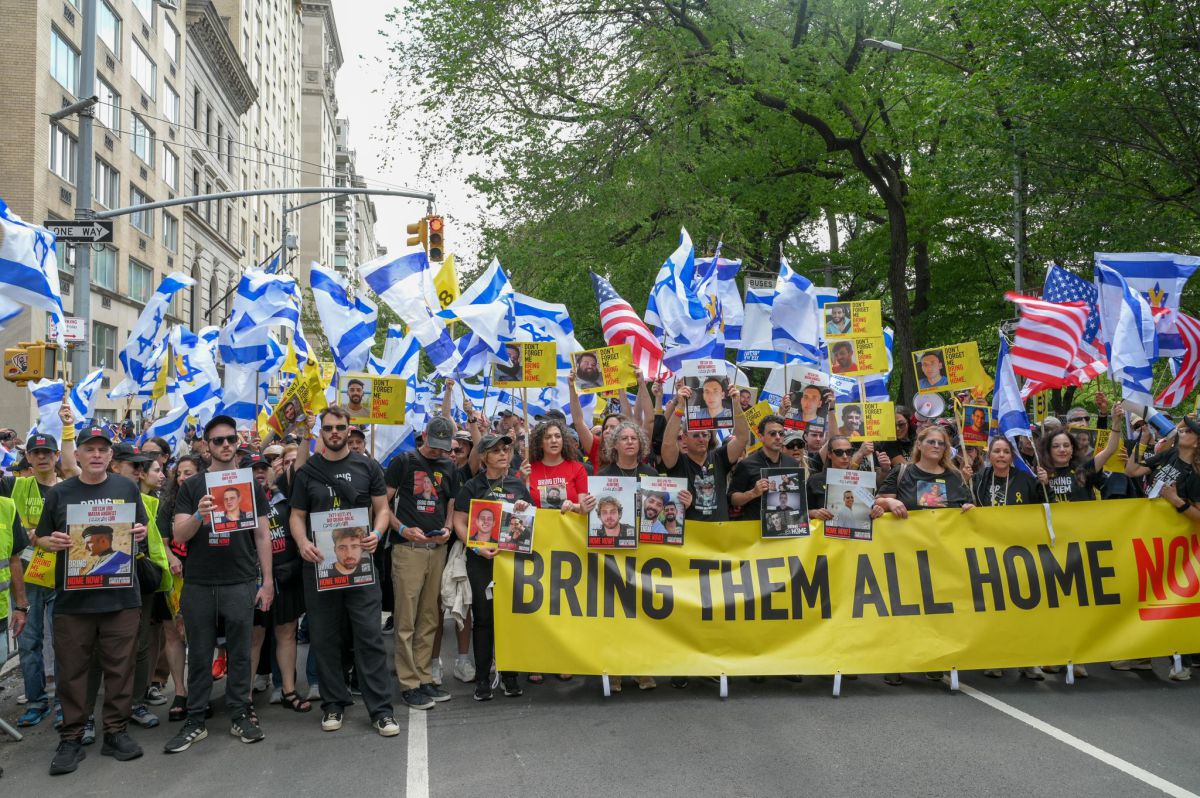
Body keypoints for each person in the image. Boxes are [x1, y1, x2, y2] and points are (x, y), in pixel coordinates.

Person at [31, 425, 149, 775]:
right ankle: (71, 737)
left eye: (102, 449)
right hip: (73, 602)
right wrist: (47, 543)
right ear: (77, 455)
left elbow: (138, 530)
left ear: (111, 456)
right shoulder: (59, 493)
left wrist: (140, 533)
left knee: (120, 668)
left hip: (121, 597)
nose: (96, 455)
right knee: (72, 671)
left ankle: (115, 731)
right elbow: (38, 538)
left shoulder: (127, 487)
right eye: (89, 449)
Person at [167, 415, 274, 753]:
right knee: (199, 654)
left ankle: (240, 713)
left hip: (239, 580)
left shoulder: (251, 484)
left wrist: (267, 581)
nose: (226, 445)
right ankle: (195, 719)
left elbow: (261, 534)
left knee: (240, 653)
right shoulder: (193, 486)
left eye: (231, 439)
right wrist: (199, 514)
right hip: (199, 582)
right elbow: (178, 534)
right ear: (206, 445)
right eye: (218, 441)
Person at [290, 406, 399, 737]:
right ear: (320, 432)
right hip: (320, 564)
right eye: (328, 427)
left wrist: (377, 534)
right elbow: (296, 515)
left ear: (350, 430)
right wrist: (301, 543)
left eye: (340, 427)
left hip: (362, 566)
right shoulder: (308, 472)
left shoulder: (367, 466)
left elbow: (382, 509)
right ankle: (333, 703)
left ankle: (381, 710)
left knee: (369, 637)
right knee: (325, 638)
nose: (334, 432)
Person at [874, 424, 973, 685]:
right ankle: (896, 662)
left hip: (941, 556)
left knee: (937, 613)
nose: (936, 447)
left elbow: (963, 505)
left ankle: (933, 660)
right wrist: (890, 502)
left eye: (941, 444)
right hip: (904, 554)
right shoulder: (903, 472)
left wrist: (968, 509)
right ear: (919, 444)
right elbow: (875, 502)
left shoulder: (954, 478)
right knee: (903, 610)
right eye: (931, 442)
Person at [6, 424, 78, 730]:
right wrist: (32, 537)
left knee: (63, 642)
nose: (42, 457)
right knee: (29, 642)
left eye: (47, 452)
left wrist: (40, 535)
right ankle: (36, 701)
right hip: (27, 577)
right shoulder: (15, 486)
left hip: (61, 573)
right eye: (35, 453)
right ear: (29, 458)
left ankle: (64, 703)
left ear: (56, 456)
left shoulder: (69, 487)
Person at [385, 415, 457, 710]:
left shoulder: (449, 466)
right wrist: (401, 528)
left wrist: (449, 529)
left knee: (429, 617)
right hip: (408, 549)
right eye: (434, 444)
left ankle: (425, 676)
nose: (439, 452)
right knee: (406, 619)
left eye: (444, 447)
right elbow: (382, 505)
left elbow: (451, 502)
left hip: (436, 550)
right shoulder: (403, 462)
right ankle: (409, 683)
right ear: (424, 435)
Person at [453, 433, 533, 701]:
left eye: (505, 449)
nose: (503, 453)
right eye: (496, 450)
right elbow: (459, 521)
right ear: (484, 456)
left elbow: (530, 522)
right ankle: (483, 679)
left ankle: (510, 675)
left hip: (511, 563)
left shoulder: (517, 484)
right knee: (484, 619)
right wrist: (475, 547)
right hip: (481, 562)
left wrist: (523, 507)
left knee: (510, 619)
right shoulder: (473, 486)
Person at [241, 453, 309, 713]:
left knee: (287, 633)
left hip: (286, 576)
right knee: (254, 638)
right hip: (254, 580)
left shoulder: (283, 496)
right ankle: (244, 699)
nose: (259, 473)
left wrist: (304, 433)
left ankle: (288, 691)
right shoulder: (238, 502)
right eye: (253, 469)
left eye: (263, 468)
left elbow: (299, 466)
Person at [660, 383, 749, 522]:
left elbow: (743, 437)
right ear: (684, 438)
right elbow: (667, 443)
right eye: (696, 435)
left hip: (718, 534)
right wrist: (680, 408)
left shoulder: (719, 457)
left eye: (705, 434)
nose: (701, 439)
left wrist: (736, 405)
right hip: (691, 535)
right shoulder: (678, 462)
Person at [1043, 405, 1123, 503]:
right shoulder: (1042, 473)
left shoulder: (1083, 470)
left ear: (1072, 449)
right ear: (1048, 450)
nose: (1062, 450)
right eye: (1056, 446)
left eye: (1066, 445)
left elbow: (1110, 449)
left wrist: (1116, 423)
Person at [729, 415, 799, 522]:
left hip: (786, 525)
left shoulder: (792, 463)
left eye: (781, 433)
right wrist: (752, 493)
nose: (778, 437)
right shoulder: (747, 464)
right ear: (761, 437)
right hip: (755, 527)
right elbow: (732, 499)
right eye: (772, 434)